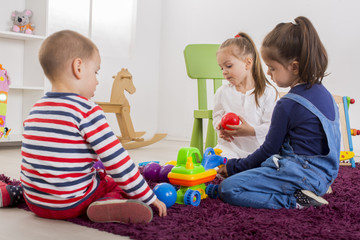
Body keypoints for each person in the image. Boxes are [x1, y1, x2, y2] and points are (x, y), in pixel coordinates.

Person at [0, 30, 167, 223]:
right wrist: (147, 196)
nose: (97, 80)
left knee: (42, 177)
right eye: (96, 72)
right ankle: (107, 203)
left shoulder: (35, 109)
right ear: (78, 67)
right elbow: (118, 162)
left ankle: (8, 194)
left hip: (35, 202)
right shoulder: (87, 110)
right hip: (70, 204)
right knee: (113, 183)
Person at [217, 16, 340, 209]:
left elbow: (268, 151)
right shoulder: (326, 95)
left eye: (272, 68)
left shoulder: (287, 104)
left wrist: (233, 167)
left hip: (299, 175)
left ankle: (295, 200)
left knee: (228, 188)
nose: (268, 73)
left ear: (294, 67)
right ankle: (313, 189)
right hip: (326, 175)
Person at [214, 32, 278, 159]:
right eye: (221, 68)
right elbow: (217, 116)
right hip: (230, 148)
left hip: (258, 150)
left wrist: (251, 131)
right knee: (216, 163)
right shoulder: (223, 92)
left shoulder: (268, 93)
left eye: (228, 66)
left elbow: (272, 127)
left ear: (248, 63)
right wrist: (220, 127)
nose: (224, 72)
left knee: (268, 166)